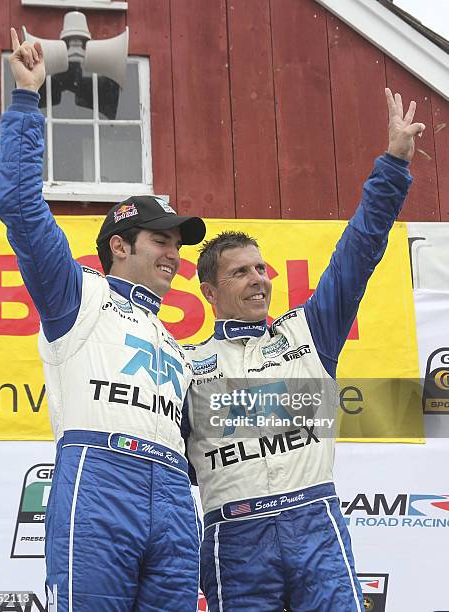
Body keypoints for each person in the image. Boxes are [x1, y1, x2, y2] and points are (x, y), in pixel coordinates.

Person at [183, 89, 425, 611]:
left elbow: (359, 250)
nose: (258, 280)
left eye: (261, 269)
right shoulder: (185, 364)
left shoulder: (306, 332)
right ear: (210, 290)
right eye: (240, 272)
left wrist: (394, 163)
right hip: (233, 534)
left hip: (313, 519)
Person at [0, 29, 205, 611]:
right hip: (99, 477)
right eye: (160, 240)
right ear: (118, 246)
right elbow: (19, 205)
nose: (174, 253)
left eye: (178, 244)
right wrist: (25, 100)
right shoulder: (76, 296)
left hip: (171, 492)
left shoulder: (173, 338)